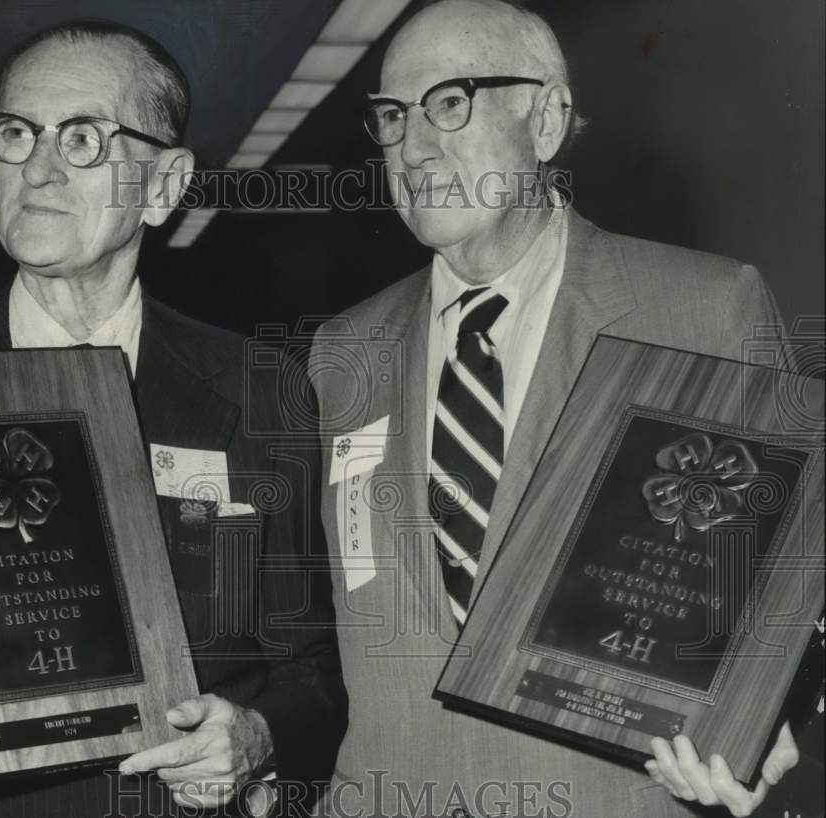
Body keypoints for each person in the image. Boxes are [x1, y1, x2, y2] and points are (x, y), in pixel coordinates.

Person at [0, 20, 346, 818]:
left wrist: (257, 736)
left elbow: (308, 668)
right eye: (16, 131)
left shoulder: (259, 390)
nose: (36, 168)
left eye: (82, 140)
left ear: (166, 185)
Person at [309, 1, 804, 816]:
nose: (414, 144)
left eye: (450, 102)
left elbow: (791, 577)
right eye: (393, 116)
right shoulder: (343, 350)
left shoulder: (702, 309)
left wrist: (772, 714)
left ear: (544, 120)